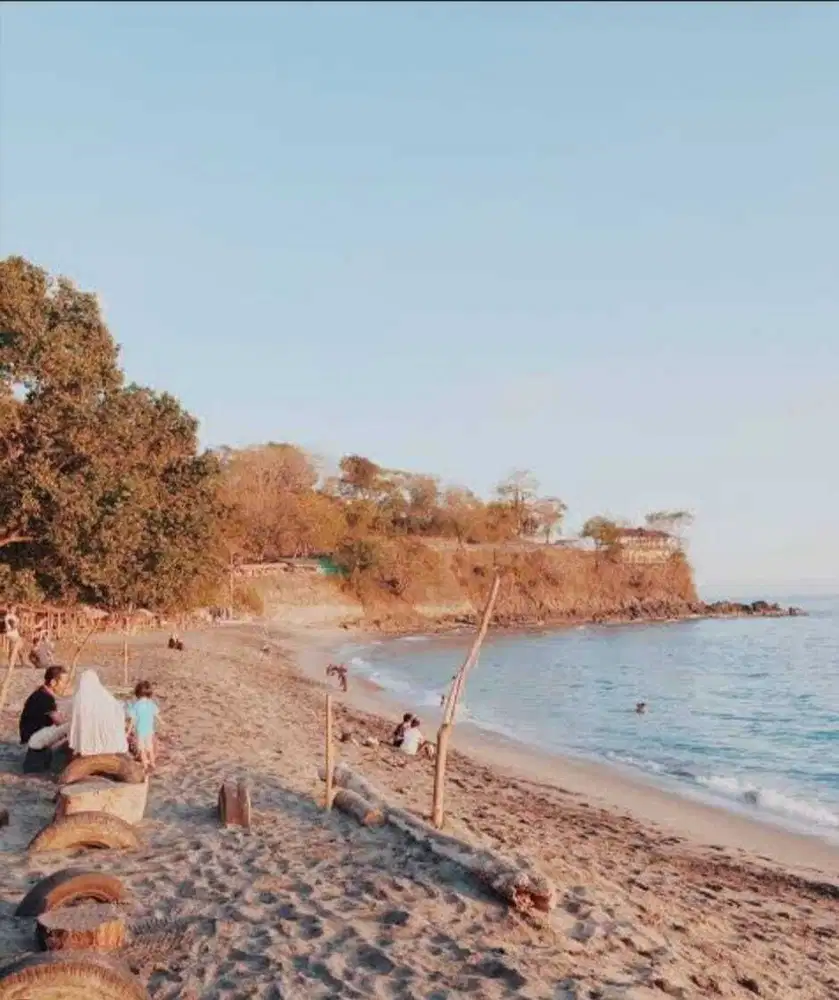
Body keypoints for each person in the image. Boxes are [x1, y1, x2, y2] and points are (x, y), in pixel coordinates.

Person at [69, 669, 129, 757]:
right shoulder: (106, 696)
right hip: (111, 744)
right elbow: (119, 710)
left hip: (87, 744)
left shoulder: (80, 697)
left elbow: (75, 721)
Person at [19, 665, 69, 749]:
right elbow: (60, 723)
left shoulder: (41, 693)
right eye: (64, 682)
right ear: (53, 682)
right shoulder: (45, 698)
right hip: (33, 741)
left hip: (30, 737)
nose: (65, 685)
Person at [126, 680, 160, 773]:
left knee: (142, 749)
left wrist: (128, 732)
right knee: (150, 748)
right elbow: (156, 715)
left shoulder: (136, 705)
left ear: (137, 693)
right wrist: (162, 722)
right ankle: (153, 763)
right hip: (149, 730)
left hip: (140, 731)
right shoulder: (151, 704)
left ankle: (145, 765)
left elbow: (133, 720)